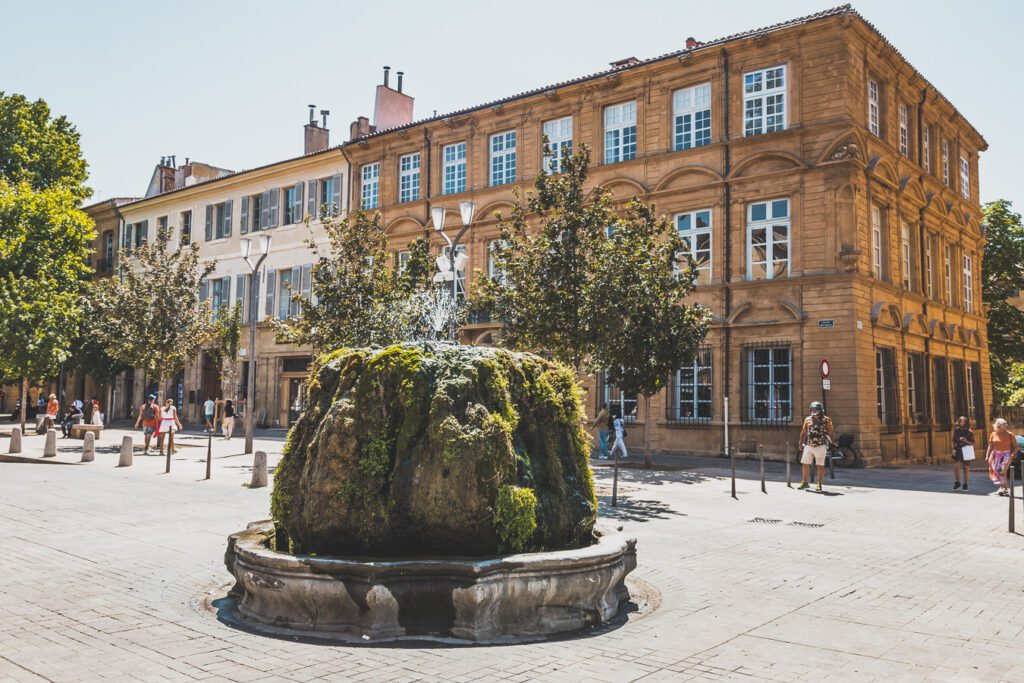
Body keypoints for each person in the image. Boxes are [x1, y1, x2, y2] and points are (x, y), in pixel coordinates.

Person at [798, 401, 835, 492]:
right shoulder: (807, 419)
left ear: (820, 410)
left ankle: (819, 483)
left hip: (821, 445)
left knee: (820, 465)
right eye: (812, 409)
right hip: (808, 445)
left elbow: (831, 432)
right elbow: (803, 432)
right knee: (805, 464)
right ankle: (805, 482)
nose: (814, 411)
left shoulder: (827, 420)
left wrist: (833, 442)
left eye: (816, 409)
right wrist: (800, 443)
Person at [986, 418, 1017, 496]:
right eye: (1004, 424)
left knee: (1002, 471)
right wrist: (987, 455)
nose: (1006, 425)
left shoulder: (1010, 434)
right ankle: (1004, 488)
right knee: (998, 471)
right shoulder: (993, 434)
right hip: (996, 455)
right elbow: (990, 446)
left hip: (1006, 455)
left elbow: (1016, 447)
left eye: (1006, 423)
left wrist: (1012, 454)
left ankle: (1002, 488)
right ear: (999, 425)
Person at [951, 416, 975, 491]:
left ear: (966, 423)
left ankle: (965, 484)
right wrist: (953, 449)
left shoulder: (970, 431)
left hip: (967, 449)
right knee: (956, 467)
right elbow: (953, 440)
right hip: (957, 449)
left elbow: (972, 443)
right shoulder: (956, 430)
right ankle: (957, 483)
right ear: (959, 422)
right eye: (961, 421)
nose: (962, 423)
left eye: (964, 422)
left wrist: (965, 441)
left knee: (966, 468)